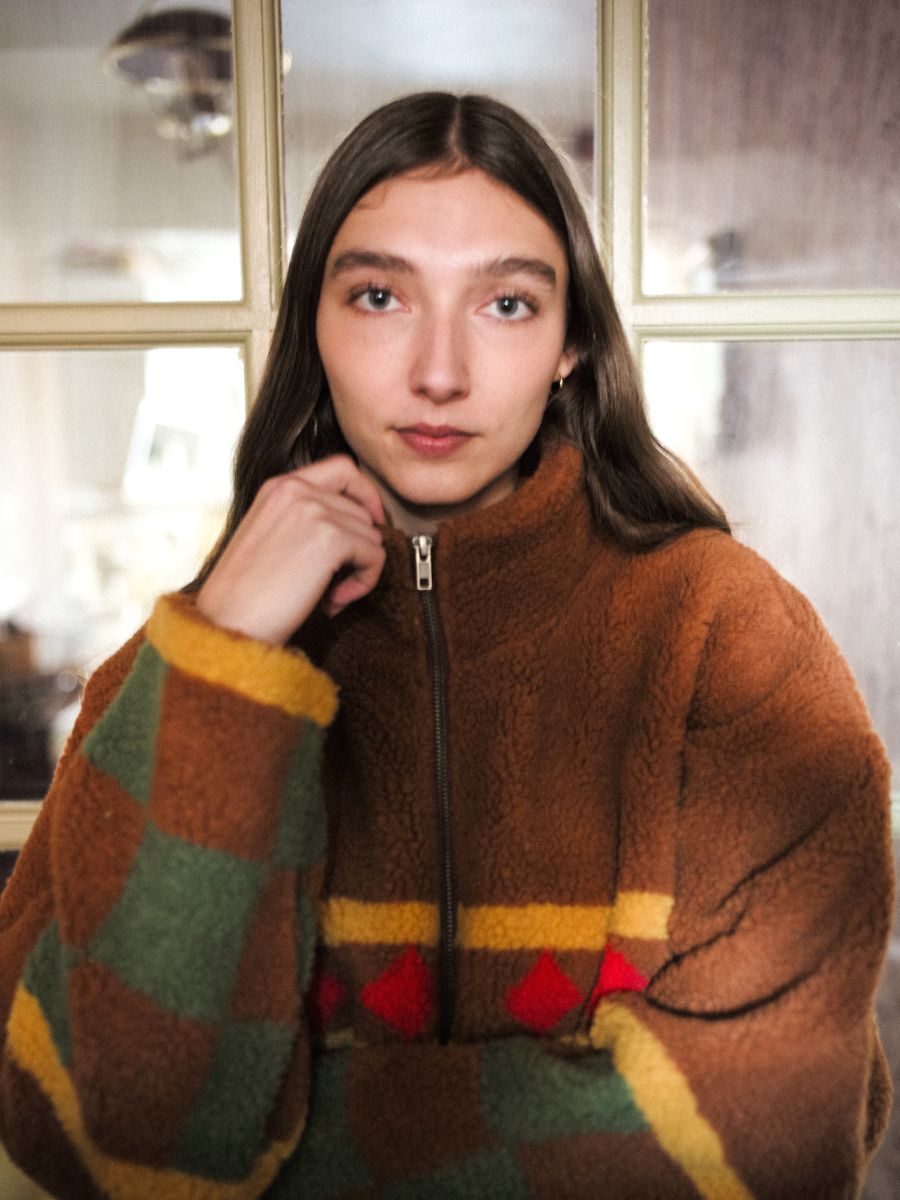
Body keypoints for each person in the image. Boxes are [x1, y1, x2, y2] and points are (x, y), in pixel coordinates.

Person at [0, 92, 892, 1200]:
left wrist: (275, 1146)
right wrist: (225, 662)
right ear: (313, 326)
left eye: (506, 304)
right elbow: (95, 1137)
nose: (438, 372)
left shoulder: (728, 637)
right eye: (379, 295)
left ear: (571, 343)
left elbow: (765, 1139)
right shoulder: (180, 671)